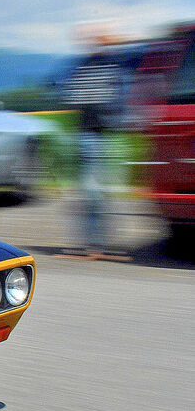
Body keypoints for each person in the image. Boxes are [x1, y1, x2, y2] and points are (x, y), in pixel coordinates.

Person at [59, 23, 133, 262]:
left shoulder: (113, 64)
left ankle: (97, 245)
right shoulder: (84, 67)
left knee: (102, 192)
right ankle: (92, 246)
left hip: (106, 136)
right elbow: (70, 95)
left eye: (99, 40)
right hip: (91, 136)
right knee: (92, 192)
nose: (94, 43)